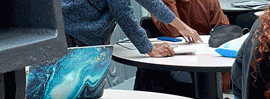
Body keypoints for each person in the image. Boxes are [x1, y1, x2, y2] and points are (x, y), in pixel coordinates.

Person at [61, 0, 201, 57]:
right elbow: (122, 12)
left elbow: (151, 2)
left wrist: (182, 27)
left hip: (79, 29)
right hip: (73, 31)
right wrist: (148, 48)